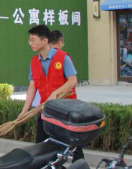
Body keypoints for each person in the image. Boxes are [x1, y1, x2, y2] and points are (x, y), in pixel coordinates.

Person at [18, 25, 83, 161]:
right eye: (30, 40)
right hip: (46, 109)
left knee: (73, 144)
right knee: (41, 145)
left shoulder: (63, 58)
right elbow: (32, 87)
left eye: (33, 40)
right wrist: (25, 110)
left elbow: (73, 80)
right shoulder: (34, 62)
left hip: (66, 110)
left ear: (45, 40)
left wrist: (55, 93)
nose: (30, 43)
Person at [30, 30, 67, 108]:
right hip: (57, 106)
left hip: (41, 105)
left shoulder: (38, 58)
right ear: (61, 41)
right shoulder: (63, 57)